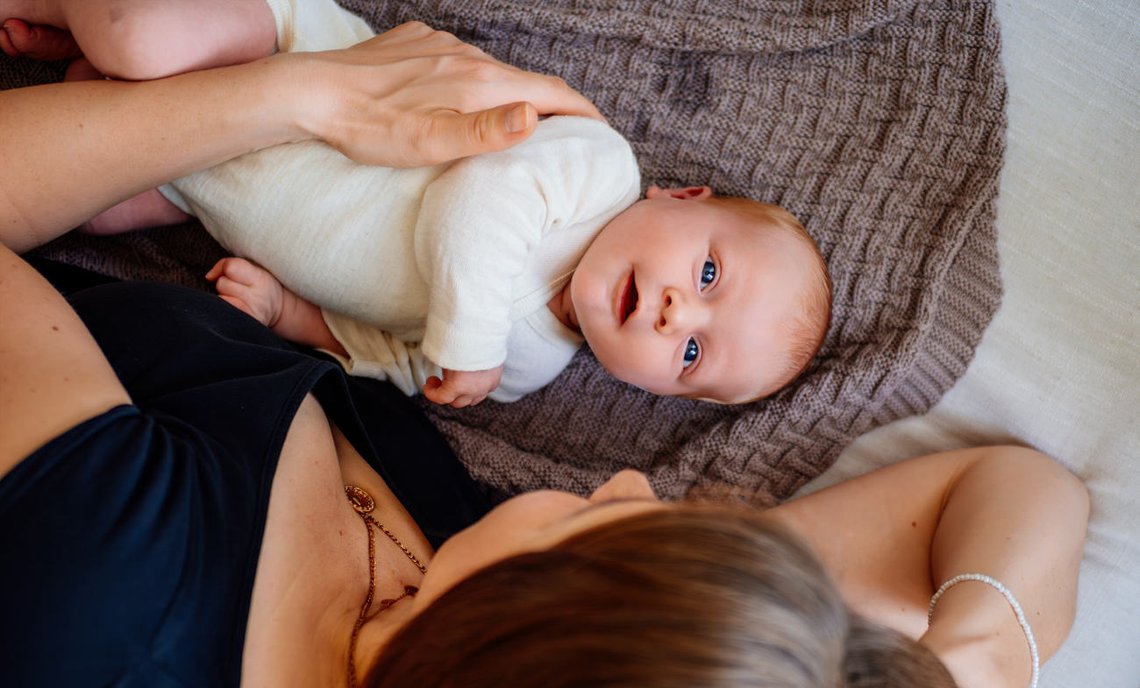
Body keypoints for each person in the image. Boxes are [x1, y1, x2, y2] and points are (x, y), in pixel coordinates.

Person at [0, 18, 1087, 688]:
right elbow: (1015, 492)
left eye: (608, 536)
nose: (628, 484)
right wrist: (969, 672)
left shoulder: (108, 575)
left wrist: (302, 97)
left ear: (517, 656)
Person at [0, 0, 832, 408]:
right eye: (710, 271)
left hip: (203, 177)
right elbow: (476, 205)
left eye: (691, 356)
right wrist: (469, 345)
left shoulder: (527, 369)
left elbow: (396, 356)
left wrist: (295, 317)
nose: (675, 314)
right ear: (681, 195)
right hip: (281, 51)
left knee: (99, 208)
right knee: (140, 35)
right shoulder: (596, 171)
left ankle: (89, 64)